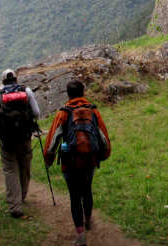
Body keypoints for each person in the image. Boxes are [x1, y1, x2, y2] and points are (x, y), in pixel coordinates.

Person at [44, 79, 111, 246]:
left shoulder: (64, 113)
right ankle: (88, 219)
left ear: (68, 94)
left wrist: (48, 159)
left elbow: (53, 140)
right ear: (84, 92)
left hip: (70, 162)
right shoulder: (93, 111)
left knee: (74, 196)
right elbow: (103, 136)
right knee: (87, 190)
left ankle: (80, 235)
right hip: (89, 160)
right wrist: (103, 155)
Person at [0, 69, 40, 218]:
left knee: (10, 170)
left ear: (3, 81)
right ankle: (22, 196)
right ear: (16, 79)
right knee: (24, 167)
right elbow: (37, 113)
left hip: (7, 140)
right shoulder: (27, 91)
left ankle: (15, 206)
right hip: (24, 137)